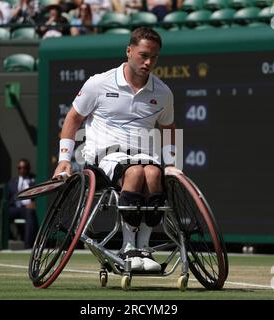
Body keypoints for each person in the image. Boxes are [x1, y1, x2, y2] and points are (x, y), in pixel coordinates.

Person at [52, 27, 176, 272]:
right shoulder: (98, 83)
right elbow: (74, 118)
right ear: (129, 51)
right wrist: (64, 159)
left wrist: (171, 163)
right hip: (105, 156)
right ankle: (129, 247)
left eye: (154, 57)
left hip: (144, 156)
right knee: (136, 173)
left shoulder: (163, 92)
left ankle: (144, 247)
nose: (148, 62)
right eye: (143, 55)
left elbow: (169, 127)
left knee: (153, 173)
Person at [7, 159, 38, 249]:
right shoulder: (12, 182)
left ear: (28, 169)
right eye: (19, 168)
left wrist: (33, 202)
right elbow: (8, 198)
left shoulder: (34, 180)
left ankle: (28, 245)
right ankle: (2, 242)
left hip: (27, 209)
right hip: (15, 208)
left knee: (30, 214)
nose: (22, 170)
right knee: (4, 214)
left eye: (24, 168)